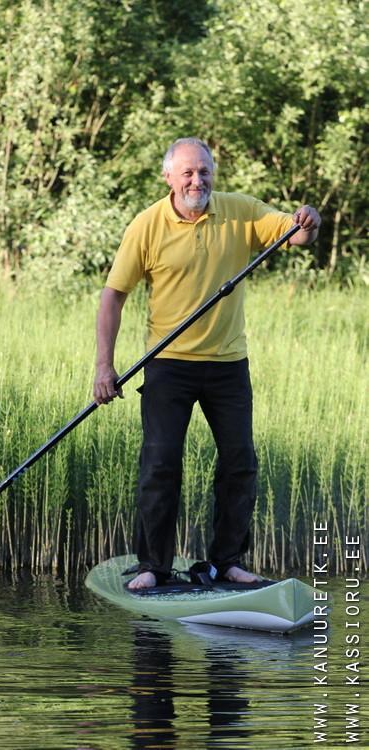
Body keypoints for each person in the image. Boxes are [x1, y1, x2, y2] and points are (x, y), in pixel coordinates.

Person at [93, 137, 321, 590]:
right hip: (167, 364)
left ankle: (227, 562)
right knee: (160, 463)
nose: (197, 180)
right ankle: (154, 567)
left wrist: (309, 220)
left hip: (228, 365)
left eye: (204, 172)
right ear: (169, 178)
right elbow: (113, 296)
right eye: (188, 173)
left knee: (240, 462)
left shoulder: (242, 211)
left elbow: (295, 234)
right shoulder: (146, 226)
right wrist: (104, 366)